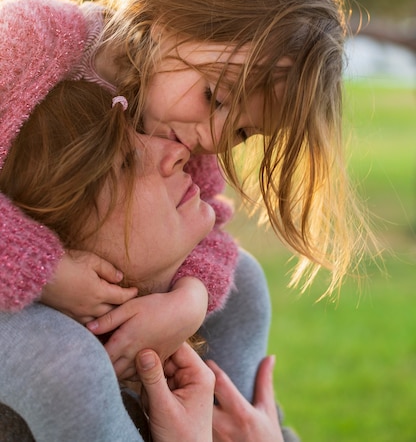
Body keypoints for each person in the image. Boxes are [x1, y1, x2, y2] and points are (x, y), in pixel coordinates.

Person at [0, 78, 283, 442]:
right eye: (125, 163)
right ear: (55, 237)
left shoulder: (203, 350)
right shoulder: (31, 417)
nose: (180, 152)